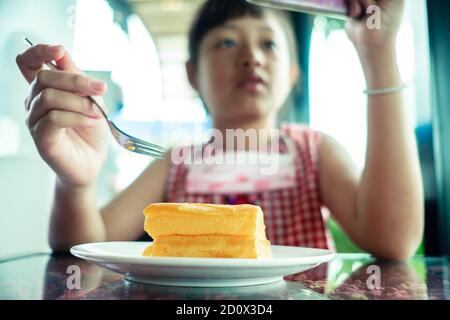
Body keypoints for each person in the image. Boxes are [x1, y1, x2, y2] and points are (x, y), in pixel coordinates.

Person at [16, 0, 423, 260]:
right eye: (227, 43)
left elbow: (392, 239)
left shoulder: (315, 152)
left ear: (294, 74)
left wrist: (379, 53)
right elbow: (86, 244)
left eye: (269, 44)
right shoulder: (177, 161)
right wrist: (76, 183)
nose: (251, 57)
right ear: (192, 74)